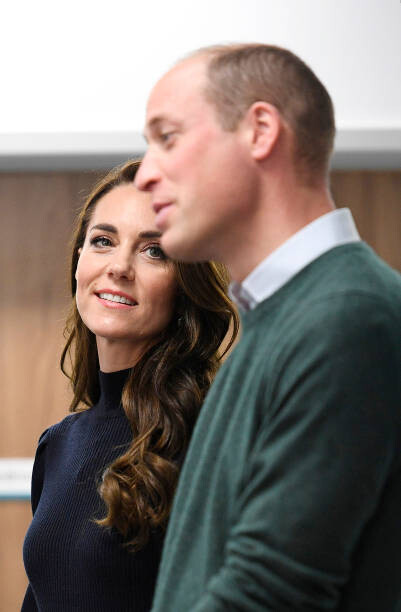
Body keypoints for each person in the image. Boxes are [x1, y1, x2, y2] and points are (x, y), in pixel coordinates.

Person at [134, 44, 401, 611]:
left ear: (260, 131)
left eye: (168, 138)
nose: (146, 175)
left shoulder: (347, 317)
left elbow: (271, 592)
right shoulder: (287, 317)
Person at [22, 159, 239, 612]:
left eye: (154, 251)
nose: (119, 267)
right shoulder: (57, 445)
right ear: (78, 261)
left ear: (185, 286)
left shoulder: (209, 440)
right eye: (103, 241)